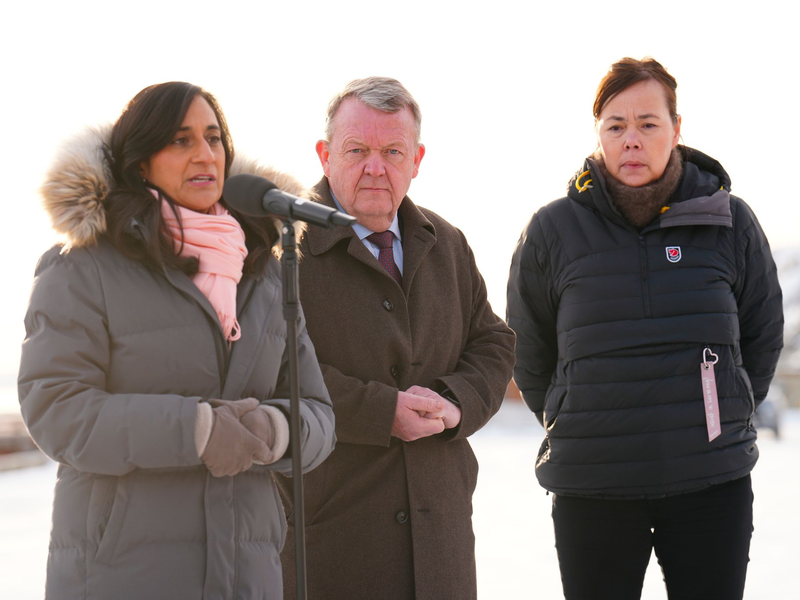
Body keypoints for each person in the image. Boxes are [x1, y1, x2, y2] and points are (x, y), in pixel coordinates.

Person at [18, 82, 336, 600]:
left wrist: (274, 429)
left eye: (213, 138)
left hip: (246, 577)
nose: (204, 154)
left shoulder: (266, 275)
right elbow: (57, 411)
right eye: (180, 140)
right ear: (141, 162)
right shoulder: (82, 269)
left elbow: (319, 414)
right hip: (120, 577)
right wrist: (196, 429)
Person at [507, 57, 784, 600]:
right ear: (599, 135)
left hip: (711, 481)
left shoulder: (730, 220)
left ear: (677, 129)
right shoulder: (552, 229)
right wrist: (564, 411)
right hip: (594, 485)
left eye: (648, 123)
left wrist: (729, 407)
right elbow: (527, 344)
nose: (631, 139)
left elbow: (763, 332)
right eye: (616, 125)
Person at [275, 77, 515, 600]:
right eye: (356, 150)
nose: (375, 167)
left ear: (417, 158)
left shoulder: (447, 243)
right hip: (331, 547)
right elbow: (273, 369)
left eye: (392, 151)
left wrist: (454, 403)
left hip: (441, 546)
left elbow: (493, 342)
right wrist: (382, 412)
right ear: (324, 154)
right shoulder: (281, 250)